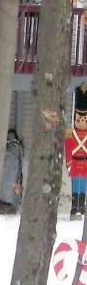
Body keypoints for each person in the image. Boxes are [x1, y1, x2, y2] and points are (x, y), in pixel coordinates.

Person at [64, 82, 87, 220]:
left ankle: (81, 207)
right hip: (75, 162)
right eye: (79, 119)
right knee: (75, 186)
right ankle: (74, 207)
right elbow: (68, 149)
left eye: (84, 119)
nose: (81, 122)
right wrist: (69, 163)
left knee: (82, 186)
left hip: (84, 163)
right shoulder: (70, 133)